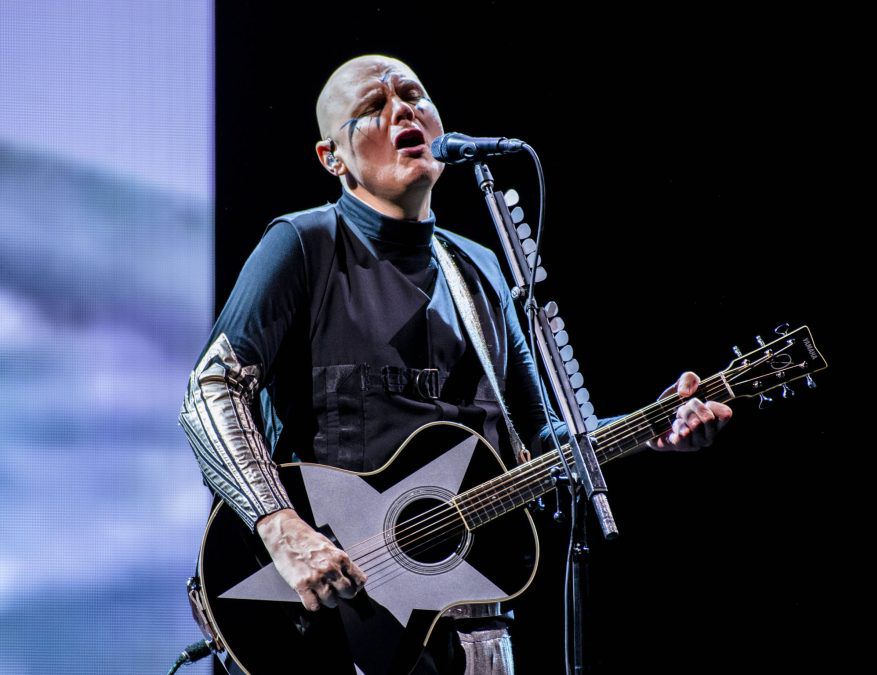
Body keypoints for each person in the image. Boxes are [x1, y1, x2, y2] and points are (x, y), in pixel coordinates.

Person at [178, 53, 733, 674]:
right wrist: (281, 529)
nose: (402, 110)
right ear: (331, 158)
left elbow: (536, 439)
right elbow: (212, 389)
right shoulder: (303, 245)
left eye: (414, 96)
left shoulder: (480, 270)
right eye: (372, 107)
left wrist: (650, 425)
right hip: (337, 621)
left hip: (475, 626)